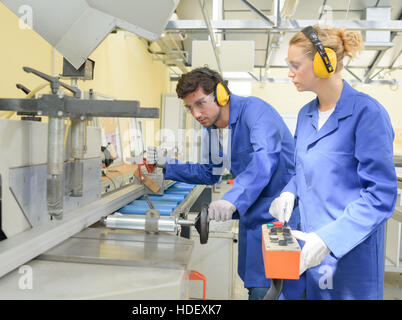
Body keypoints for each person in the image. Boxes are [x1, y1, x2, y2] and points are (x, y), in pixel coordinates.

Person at [269, 25, 398, 299]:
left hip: (348, 257)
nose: (289, 73)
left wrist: (329, 239)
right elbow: (303, 168)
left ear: (322, 63)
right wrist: (290, 191)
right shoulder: (306, 115)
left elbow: (381, 195)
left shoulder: (367, 114)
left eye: (295, 65)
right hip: (308, 247)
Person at [147, 67, 297, 299]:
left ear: (220, 94)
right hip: (252, 219)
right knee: (253, 285)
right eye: (189, 108)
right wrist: (166, 166)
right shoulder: (212, 129)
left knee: (269, 291)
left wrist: (231, 200)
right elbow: (209, 172)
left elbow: (263, 158)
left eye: (200, 103)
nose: (196, 114)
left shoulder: (255, 112)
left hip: (279, 220)